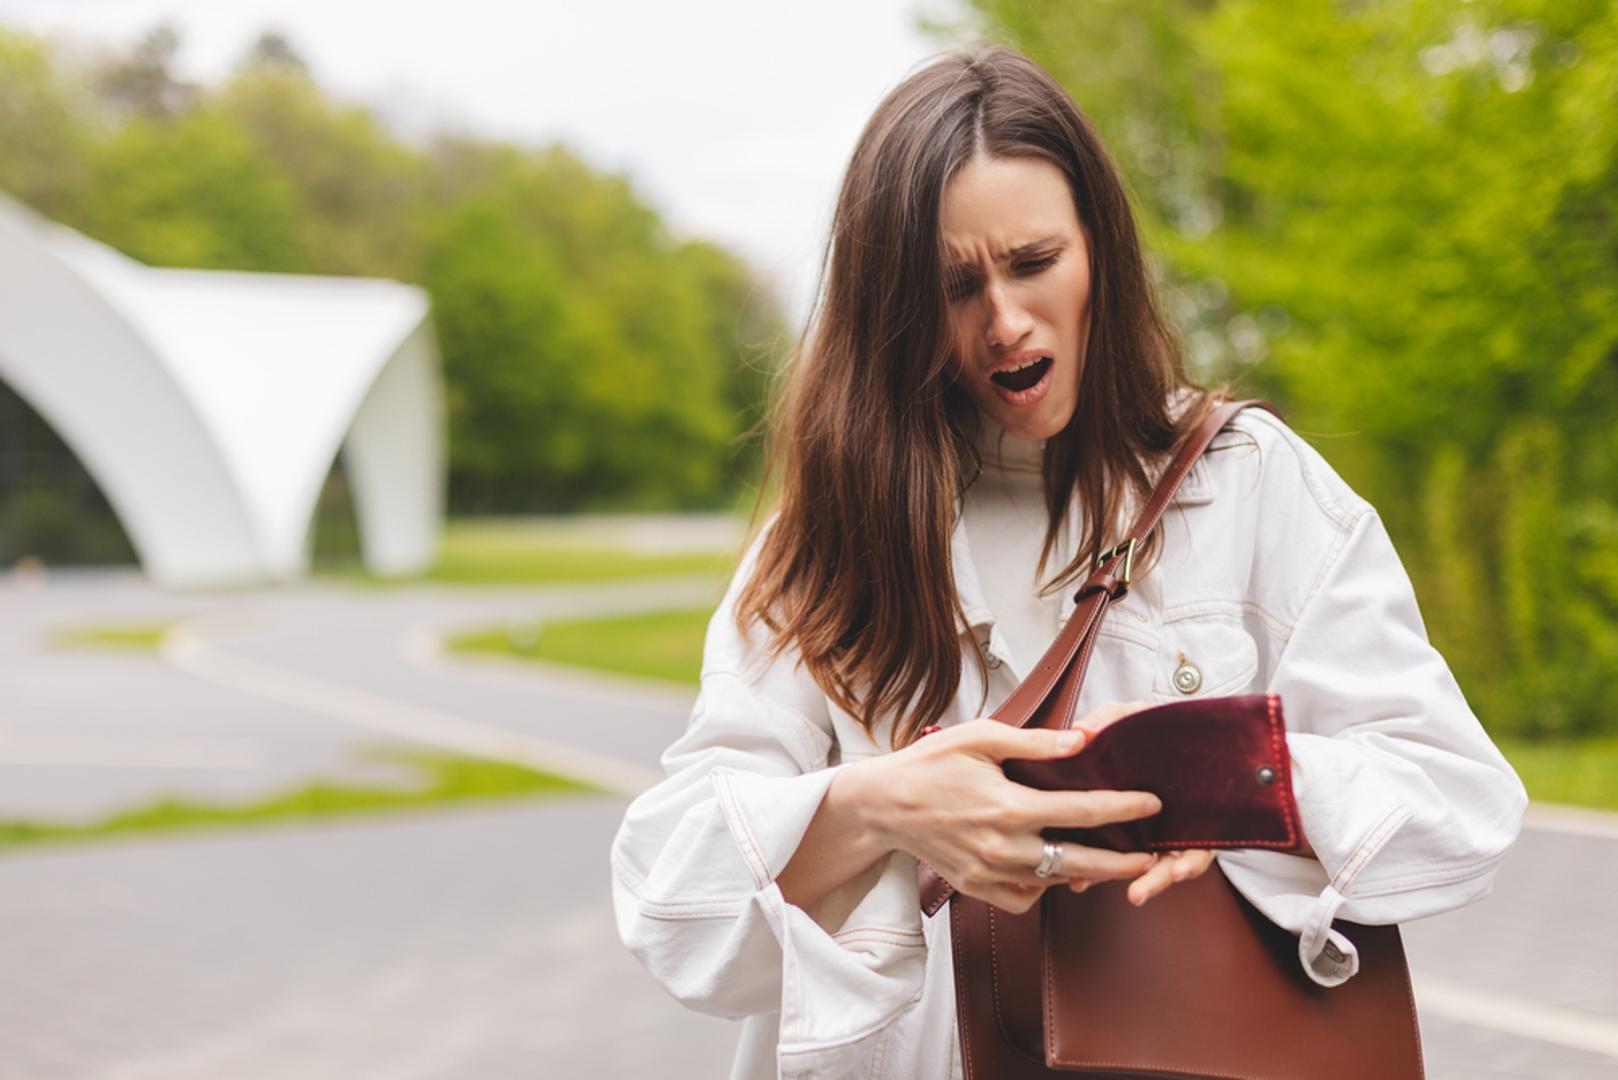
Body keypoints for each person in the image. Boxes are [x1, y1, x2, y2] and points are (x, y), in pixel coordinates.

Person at [609, 44, 1527, 1080]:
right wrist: (880, 809)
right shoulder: (821, 540)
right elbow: (669, 903)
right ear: (894, 309)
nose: (1004, 320)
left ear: (1099, 248)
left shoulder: (1249, 482)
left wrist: (1227, 782)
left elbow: (1459, 804)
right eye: (956, 287)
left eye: (1034, 262)